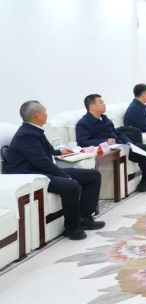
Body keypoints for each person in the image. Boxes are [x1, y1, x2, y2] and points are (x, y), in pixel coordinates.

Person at [5, 101, 104, 240]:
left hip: (43, 170)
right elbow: (41, 162)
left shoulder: (33, 130)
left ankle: (85, 218)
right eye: (45, 111)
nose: (47, 113)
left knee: (93, 176)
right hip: (34, 175)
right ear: (37, 115)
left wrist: (59, 152)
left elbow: (42, 153)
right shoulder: (26, 135)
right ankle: (72, 228)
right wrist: (64, 175)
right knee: (71, 185)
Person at [76, 94, 146, 193]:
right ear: (92, 106)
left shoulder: (104, 119)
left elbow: (117, 132)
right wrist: (105, 141)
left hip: (122, 144)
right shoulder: (83, 123)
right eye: (100, 102)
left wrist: (129, 142)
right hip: (113, 150)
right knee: (143, 155)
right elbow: (82, 142)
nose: (104, 104)